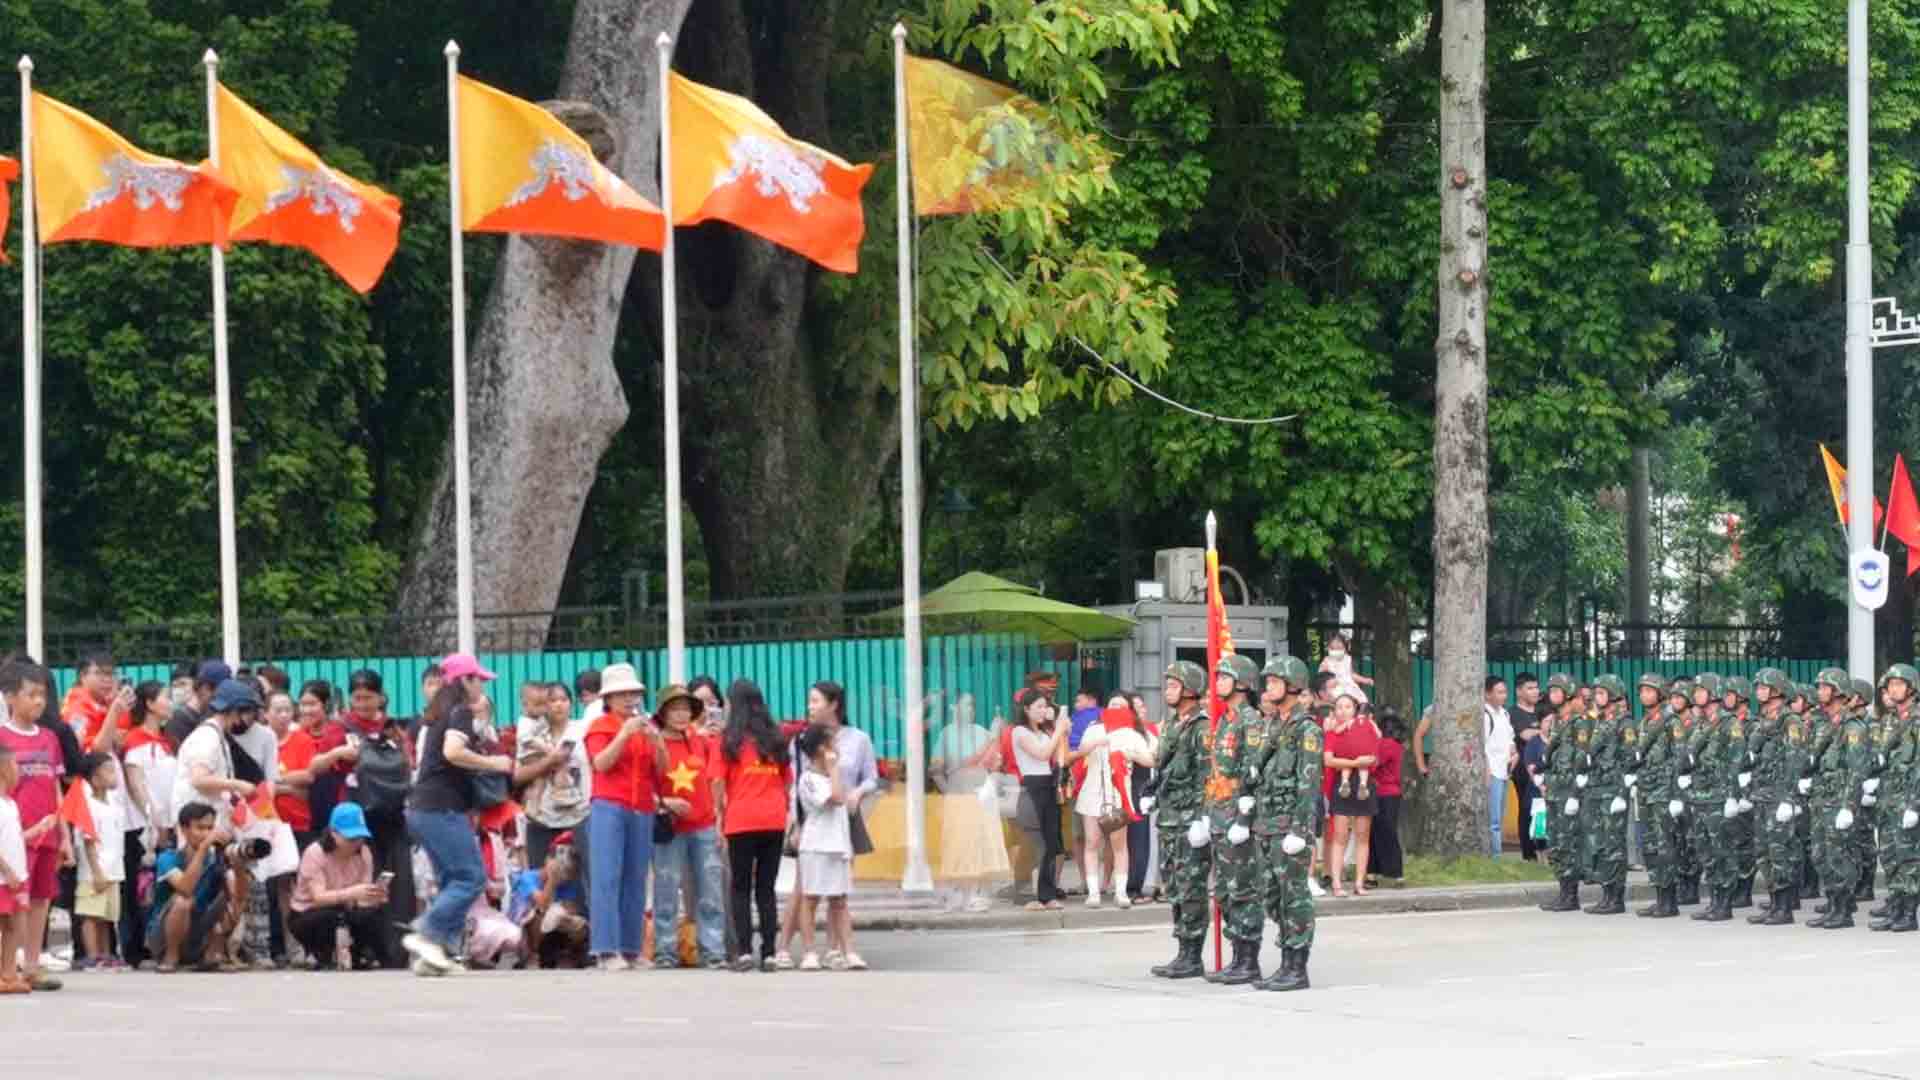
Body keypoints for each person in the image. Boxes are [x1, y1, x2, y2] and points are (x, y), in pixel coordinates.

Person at [403, 652, 510, 976]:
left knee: (452, 878)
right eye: (477, 679)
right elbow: (453, 752)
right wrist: (495, 763)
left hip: (425, 809)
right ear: (464, 681)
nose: (481, 686)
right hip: (440, 808)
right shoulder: (459, 710)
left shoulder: (439, 713)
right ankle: (428, 932)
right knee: (471, 877)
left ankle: (438, 955)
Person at [583, 662, 666, 971]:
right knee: (607, 877)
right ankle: (605, 949)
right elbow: (601, 764)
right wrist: (623, 735)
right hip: (609, 805)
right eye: (622, 694)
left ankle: (631, 948)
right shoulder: (600, 727)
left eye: (633, 693)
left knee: (636, 878)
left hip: (641, 807)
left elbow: (661, 769)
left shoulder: (645, 728)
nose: (630, 699)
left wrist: (657, 742)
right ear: (609, 698)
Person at [1249, 654, 1318, 991]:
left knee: (1294, 897)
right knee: (1272, 896)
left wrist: (1300, 831)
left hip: (1289, 825)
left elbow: (1308, 783)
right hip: (1267, 822)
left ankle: (1296, 966)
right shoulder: (1274, 725)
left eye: (1275, 681)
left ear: (1293, 686)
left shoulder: (1307, 729)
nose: (1268, 687)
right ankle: (1285, 960)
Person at [0, 661, 68, 992]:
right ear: (10, 697)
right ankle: (7, 965)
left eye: (42, 695)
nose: (39, 702)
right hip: (16, 835)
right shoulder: (2, 736)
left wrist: (64, 834)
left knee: (42, 899)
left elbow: (57, 788)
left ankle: (31, 964)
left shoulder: (51, 738)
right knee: (14, 901)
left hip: (48, 832)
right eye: (31, 695)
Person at [651, 684, 726, 969]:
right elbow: (645, 785)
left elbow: (716, 779)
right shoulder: (654, 743)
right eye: (675, 709)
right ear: (663, 713)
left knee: (711, 890)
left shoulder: (702, 742)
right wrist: (666, 802)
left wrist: (718, 816)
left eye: (686, 709)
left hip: (704, 824)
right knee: (666, 890)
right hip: (670, 827)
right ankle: (665, 951)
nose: (682, 715)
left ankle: (713, 950)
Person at [1143, 661, 1209, 979]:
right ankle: (1182, 950)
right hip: (1169, 817)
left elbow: (1206, 778)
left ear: (1190, 690)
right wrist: (1151, 792)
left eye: (1173, 685)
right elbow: (1163, 766)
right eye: (1167, 684)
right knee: (1174, 887)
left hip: (1189, 821)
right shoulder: (1171, 725)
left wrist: (1201, 819)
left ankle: (1193, 955)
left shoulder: (1201, 727)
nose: (1167, 689)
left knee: (1191, 887)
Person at [719, 679, 791, 971]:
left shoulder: (730, 740)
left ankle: (746, 951)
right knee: (766, 888)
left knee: (740, 888)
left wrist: (718, 815)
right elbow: (787, 779)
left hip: (741, 820)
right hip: (773, 819)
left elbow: (716, 781)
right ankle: (770, 953)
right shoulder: (775, 739)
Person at [1203, 655, 1261, 985]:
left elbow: (1251, 774)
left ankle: (1248, 959)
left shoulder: (1249, 721)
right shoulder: (1225, 720)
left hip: (1238, 815)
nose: (1219, 683)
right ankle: (1237, 955)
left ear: (1241, 683)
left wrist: (1243, 818)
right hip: (1219, 813)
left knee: (1242, 888)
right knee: (1225, 889)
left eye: (1225, 677)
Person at [929, 689, 1010, 914]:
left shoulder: (983, 732)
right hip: (958, 797)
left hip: (981, 797)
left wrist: (998, 737)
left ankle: (978, 894)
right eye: (965, 705)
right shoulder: (946, 734)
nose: (970, 710)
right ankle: (958, 893)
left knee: (980, 845)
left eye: (972, 705)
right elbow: (935, 770)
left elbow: (996, 764)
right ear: (954, 708)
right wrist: (948, 792)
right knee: (958, 845)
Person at [289, 802, 393, 970]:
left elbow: (360, 902)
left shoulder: (364, 853)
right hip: (309, 912)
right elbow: (319, 898)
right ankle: (321, 954)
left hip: (346, 908)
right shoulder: (315, 853)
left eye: (360, 837)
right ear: (333, 833)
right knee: (328, 917)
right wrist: (353, 892)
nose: (356, 843)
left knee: (372, 915)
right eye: (350, 838)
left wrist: (373, 896)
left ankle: (368, 956)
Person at [1806, 668, 1871, 928]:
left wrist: (1849, 806)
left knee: (1839, 856)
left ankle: (1844, 910)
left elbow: (1857, 769)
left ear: (1838, 692)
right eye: (1819, 686)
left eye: (1825, 687)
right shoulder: (1825, 725)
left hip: (1840, 802)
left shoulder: (1852, 727)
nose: (1820, 691)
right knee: (1820, 855)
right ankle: (1833, 904)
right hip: (1823, 800)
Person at [1072, 704, 1151, 911]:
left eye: (1121, 705)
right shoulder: (1093, 728)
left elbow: (1151, 759)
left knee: (1119, 845)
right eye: (1113, 704)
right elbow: (1080, 753)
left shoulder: (1132, 733)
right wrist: (1096, 742)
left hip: (1118, 793)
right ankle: (1093, 892)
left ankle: (1121, 892)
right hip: (1092, 793)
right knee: (1092, 842)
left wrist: (1131, 755)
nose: (1116, 709)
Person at [147, 803, 235, 973]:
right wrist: (203, 849)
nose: (206, 834)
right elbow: (185, 888)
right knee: (182, 901)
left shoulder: (214, 859)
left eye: (210, 828)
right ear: (184, 829)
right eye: (200, 828)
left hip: (196, 934)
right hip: (162, 938)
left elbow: (236, 898)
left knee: (232, 891)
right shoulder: (168, 857)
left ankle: (212, 954)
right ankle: (171, 957)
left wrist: (236, 865)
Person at [794, 723, 853, 971]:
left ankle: (845, 951)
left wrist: (834, 771)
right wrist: (833, 768)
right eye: (833, 743)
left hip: (838, 846)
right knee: (811, 899)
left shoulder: (833, 775)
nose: (837, 748)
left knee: (839, 900)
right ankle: (809, 952)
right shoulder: (809, 779)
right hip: (816, 846)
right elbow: (837, 799)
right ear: (822, 749)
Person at [516, 682, 591, 874]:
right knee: (542, 882)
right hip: (541, 820)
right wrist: (550, 760)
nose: (558, 705)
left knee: (580, 888)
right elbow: (518, 775)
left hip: (579, 819)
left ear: (571, 704)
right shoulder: (532, 733)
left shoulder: (583, 730)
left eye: (564, 699)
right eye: (552, 700)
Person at [1010, 687, 1068, 912]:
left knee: (1052, 843)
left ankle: (1047, 894)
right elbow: (1041, 754)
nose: (1044, 710)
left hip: (1048, 785)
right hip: (1032, 788)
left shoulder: (1045, 733)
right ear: (1026, 709)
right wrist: (1057, 732)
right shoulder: (1019, 732)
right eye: (1039, 707)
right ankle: (1030, 894)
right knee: (1037, 845)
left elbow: (1057, 756)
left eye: (1046, 706)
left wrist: (1058, 729)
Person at [71, 752, 127, 971]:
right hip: (94, 872)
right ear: (94, 778)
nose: (114, 775)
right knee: (91, 914)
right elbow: (88, 841)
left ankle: (106, 954)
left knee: (106, 917)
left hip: (114, 869)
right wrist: (96, 872)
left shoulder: (114, 803)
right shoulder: (88, 806)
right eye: (109, 771)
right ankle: (92, 955)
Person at [1634, 674, 1684, 919]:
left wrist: (1676, 793)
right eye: (1642, 691)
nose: (1644, 694)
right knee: (1651, 847)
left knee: (1665, 846)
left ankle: (1669, 900)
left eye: (1649, 691)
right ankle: (1659, 897)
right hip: (1646, 790)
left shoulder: (1670, 720)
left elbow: (1679, 757)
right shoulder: (1645, 722)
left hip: (1663, 792)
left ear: (1660, 693)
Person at [1322, 693, 1379, 897]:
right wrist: (1355, 763)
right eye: (1339, 707)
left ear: (1355, 709)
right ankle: (1337, 883)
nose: (1343, 711)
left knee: (1363, 836)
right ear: (1334, 711)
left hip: (1364, 785)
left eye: (1347, 707)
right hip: (1342, 785)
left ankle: (1359, 883)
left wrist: (1367, 760)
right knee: (1340, 836)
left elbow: (1374, 756)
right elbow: (1329, 760)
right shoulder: (1332, 733)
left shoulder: (1367, 728)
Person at [1123, 692, 1160, 904]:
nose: (1140, 710)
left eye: (1141, 706)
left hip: (1146, 788)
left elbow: (1158, 755)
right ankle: (1131, 887)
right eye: (1135, 706)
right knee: (1135, 841)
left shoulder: (1146, 731)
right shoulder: (1127, 733)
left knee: (1144, 840)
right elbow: (1149, 759)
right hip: (1133, 786)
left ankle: (1139, 884)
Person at [1366, 708, 1406, 888]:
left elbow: (1373, 766)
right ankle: (1391, 872)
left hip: (1382, 792)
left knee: (1377, 833)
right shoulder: (1397, 745)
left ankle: (1377, 872)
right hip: (1392, 793)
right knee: (1386, 832)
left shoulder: (1384, 744)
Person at [0, 744, 28, 994]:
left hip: (14, 877)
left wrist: (38, 830)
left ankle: (8, 973)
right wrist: (6, 870)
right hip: (3, 877)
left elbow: (14, 838)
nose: (18, 771)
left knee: (11, 926)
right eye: (15, 765)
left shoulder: (10, 803)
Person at [1510, 673, 1543, 861]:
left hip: (1543, 769)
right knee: (1526, 809)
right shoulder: (1514, 713)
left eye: (1536, 687)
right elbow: (1525, 735)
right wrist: (1545, 730)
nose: (1535, 691)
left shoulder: (1541, 710)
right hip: (1523, 771)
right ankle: (1528, 853)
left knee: (1541, 810)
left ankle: (1543, 850)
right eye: (1530, 688)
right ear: (1519, 691)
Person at [1482, 676, 1515, 859]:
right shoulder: (1485, 715)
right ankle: (1496, 856)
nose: (1504, 696)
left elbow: (1510, 739)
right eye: (1499, 692)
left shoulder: (1504, 713)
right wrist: (1487, 772)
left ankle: (1496, 854)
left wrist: (1514, 752)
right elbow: (1483, 746)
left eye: (1505, 692)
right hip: (1492, 772)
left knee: (1499, 817)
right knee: (1493, 819)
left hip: (1504, 771)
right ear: (1488, 694)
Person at [1319, 633, 1373, 705]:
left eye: (1339, 648)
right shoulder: (1327, 661)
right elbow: (1320, 676)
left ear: (1345, 648)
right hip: (1335, 687)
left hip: (1350, 687)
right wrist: (1328, 682)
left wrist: (1365, 680)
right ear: (1328, 648)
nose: (1336, 651)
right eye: (1332, 648)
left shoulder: (1347, 659)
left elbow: (1351, 674)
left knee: (1361, 701)